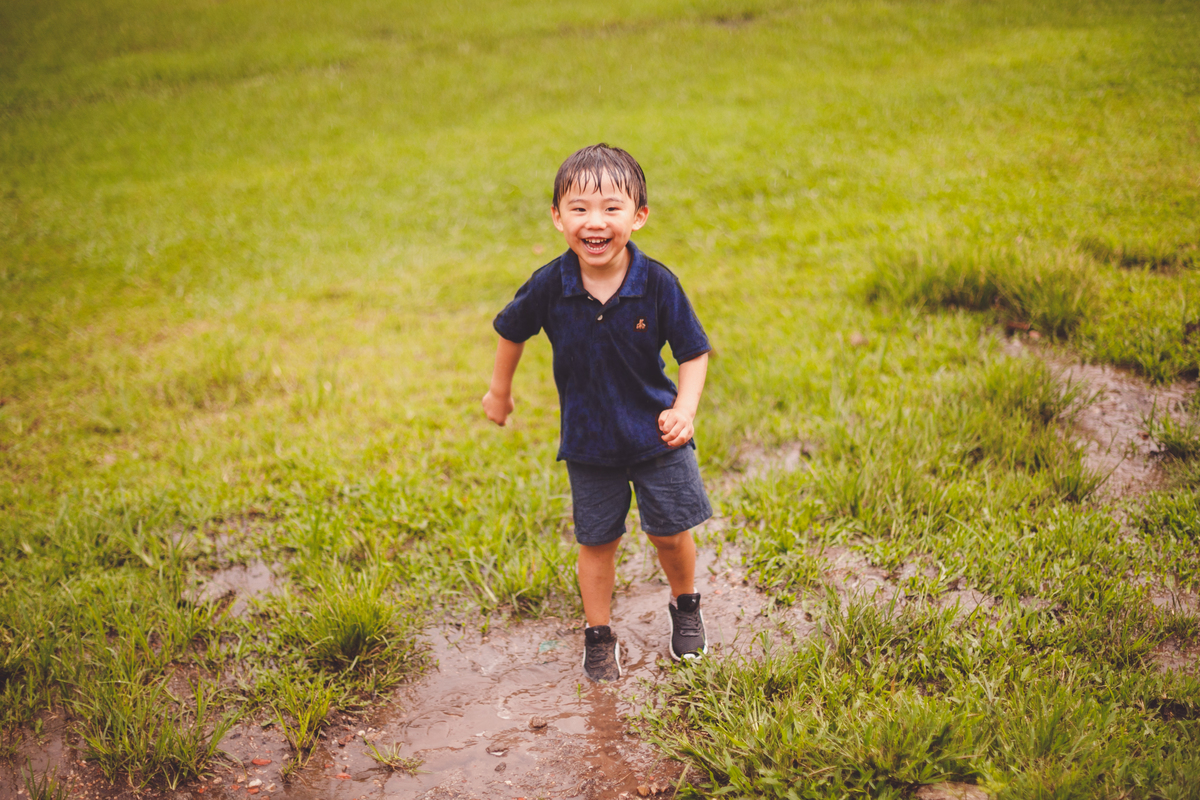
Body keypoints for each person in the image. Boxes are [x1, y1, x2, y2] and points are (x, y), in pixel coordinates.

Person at [482, 143, 713, 682]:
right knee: (597, 541)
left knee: (670, 531)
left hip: (659, 435)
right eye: (580, 208)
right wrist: (500, 392)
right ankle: (598, 635)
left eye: (612, 207)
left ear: (639, 216)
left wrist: (685, 408)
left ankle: (686, 605)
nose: (596, 221)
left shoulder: (657, 283)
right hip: (589, 443)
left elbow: (693, 352)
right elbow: (510, 332)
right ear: (558, 216)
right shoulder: (550, 284)